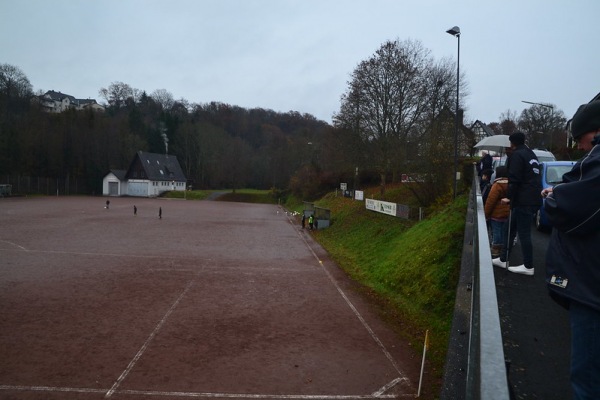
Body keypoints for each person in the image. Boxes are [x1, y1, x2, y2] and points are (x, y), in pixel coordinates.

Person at [542, 100, 600, 399]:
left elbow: (564, 208)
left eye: (580, 140)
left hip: (592, 292)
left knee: (587, 381)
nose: (578, 148)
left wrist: (555, 196)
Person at [492, 131, 542, 275]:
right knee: (509, 228)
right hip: (531, 198)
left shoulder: (517, 156)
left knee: (524, 233)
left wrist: (508, 197)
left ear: (512, 143)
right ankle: (503, 258)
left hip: (523, 200)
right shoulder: (530, 154)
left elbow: (514, 179)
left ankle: (528, 266)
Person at [484, 166, 509, 257]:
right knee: (504, 231)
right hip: (507, 213)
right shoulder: (511, 184)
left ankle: (496, 249)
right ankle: (504, 248)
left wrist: (486, 214)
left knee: (496, 231)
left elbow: (491, 200)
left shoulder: (497, 185)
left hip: (496, 214)